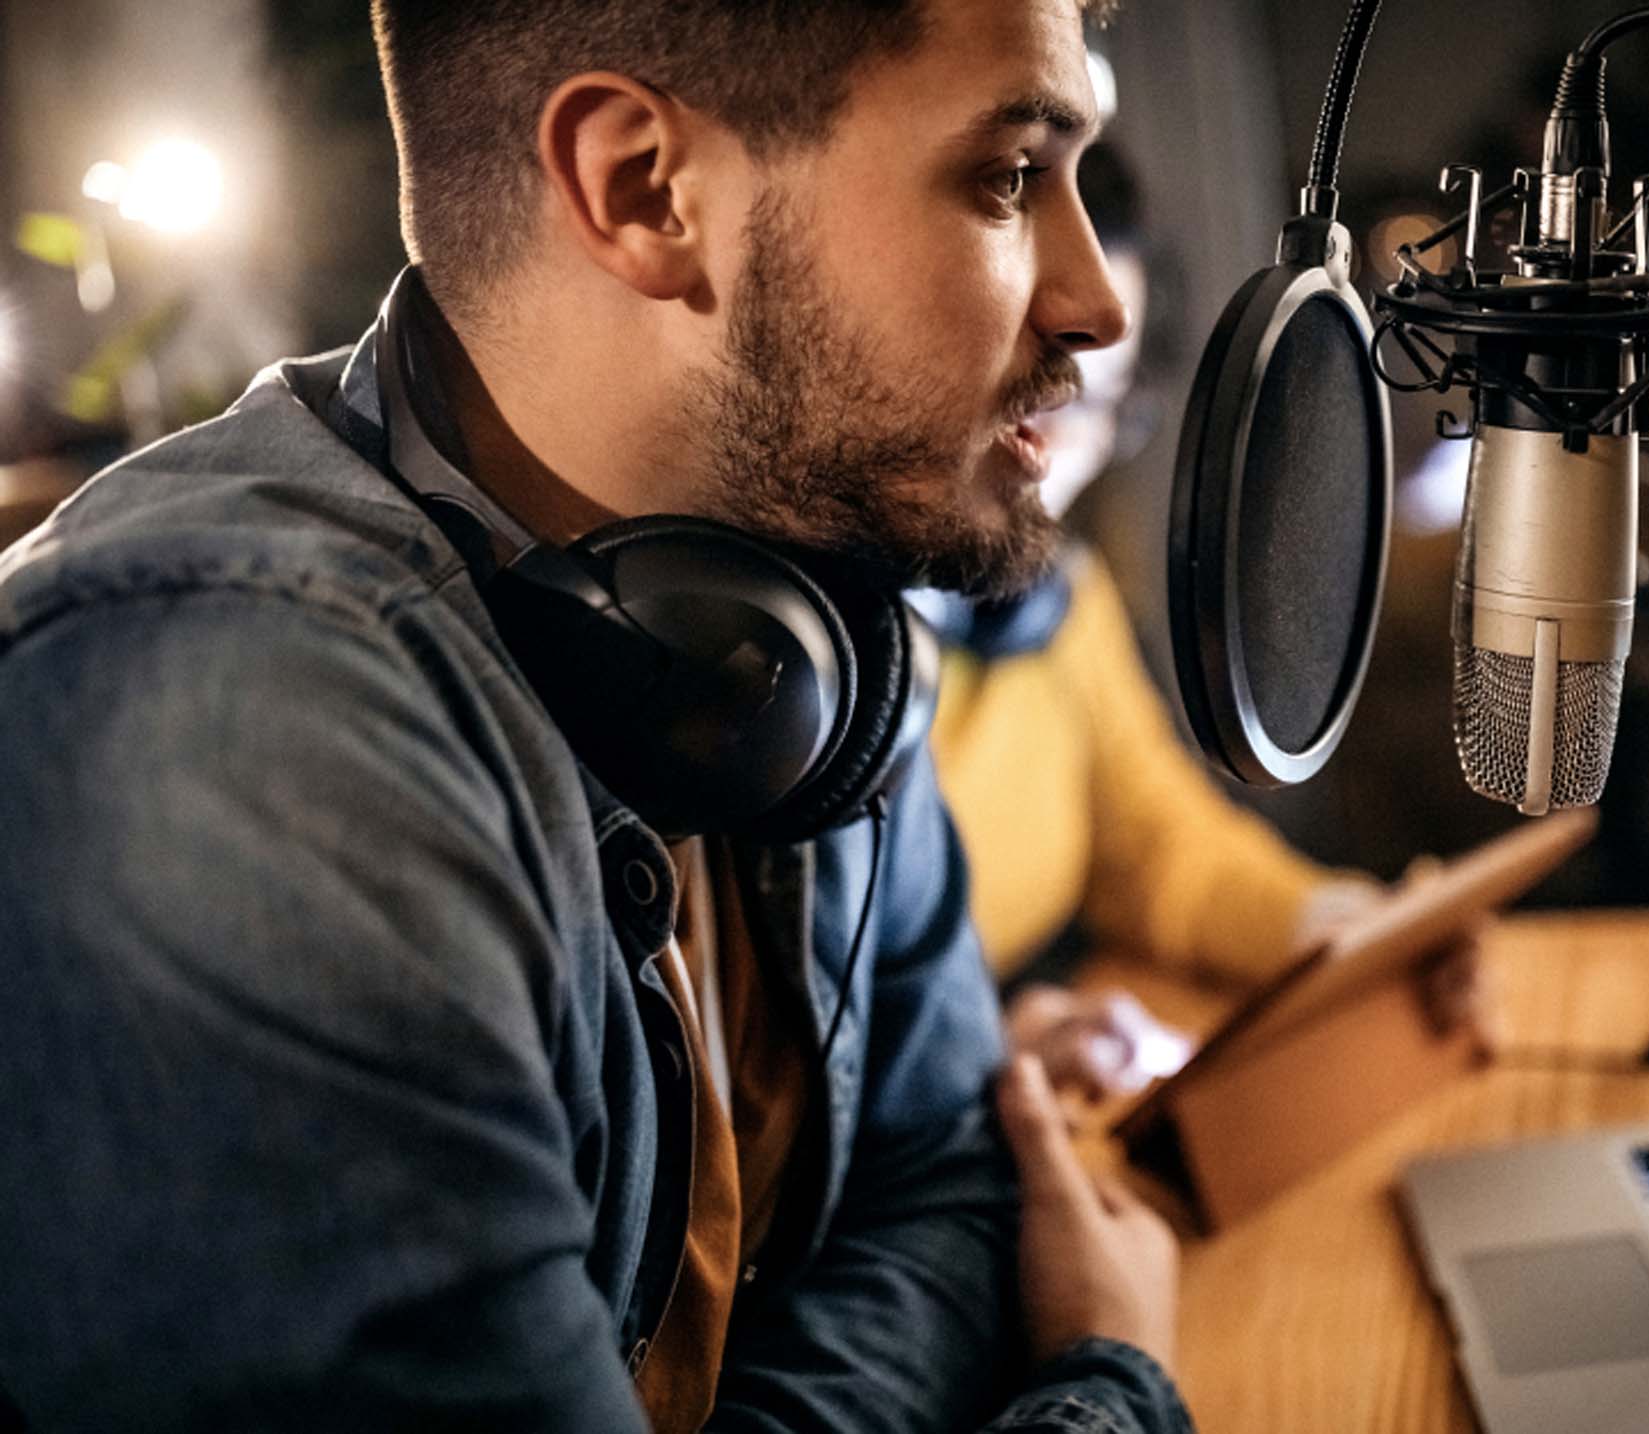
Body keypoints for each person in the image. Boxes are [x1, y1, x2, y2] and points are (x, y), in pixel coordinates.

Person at [0, 4, 1194, 1433]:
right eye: (1007, 175)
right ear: (644, 188)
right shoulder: (215, 738)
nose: (1096, 303)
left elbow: (942, 1183)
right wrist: (1109, 1391)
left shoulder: (810, 611)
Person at [922, 142, 1479, 1100]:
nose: (1052, 456)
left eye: (1093, 409)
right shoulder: (796, 678)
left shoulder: (1056, 604)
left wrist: (1348, 928)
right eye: (1028, 393)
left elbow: (1167, 853)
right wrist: (966, 1062)